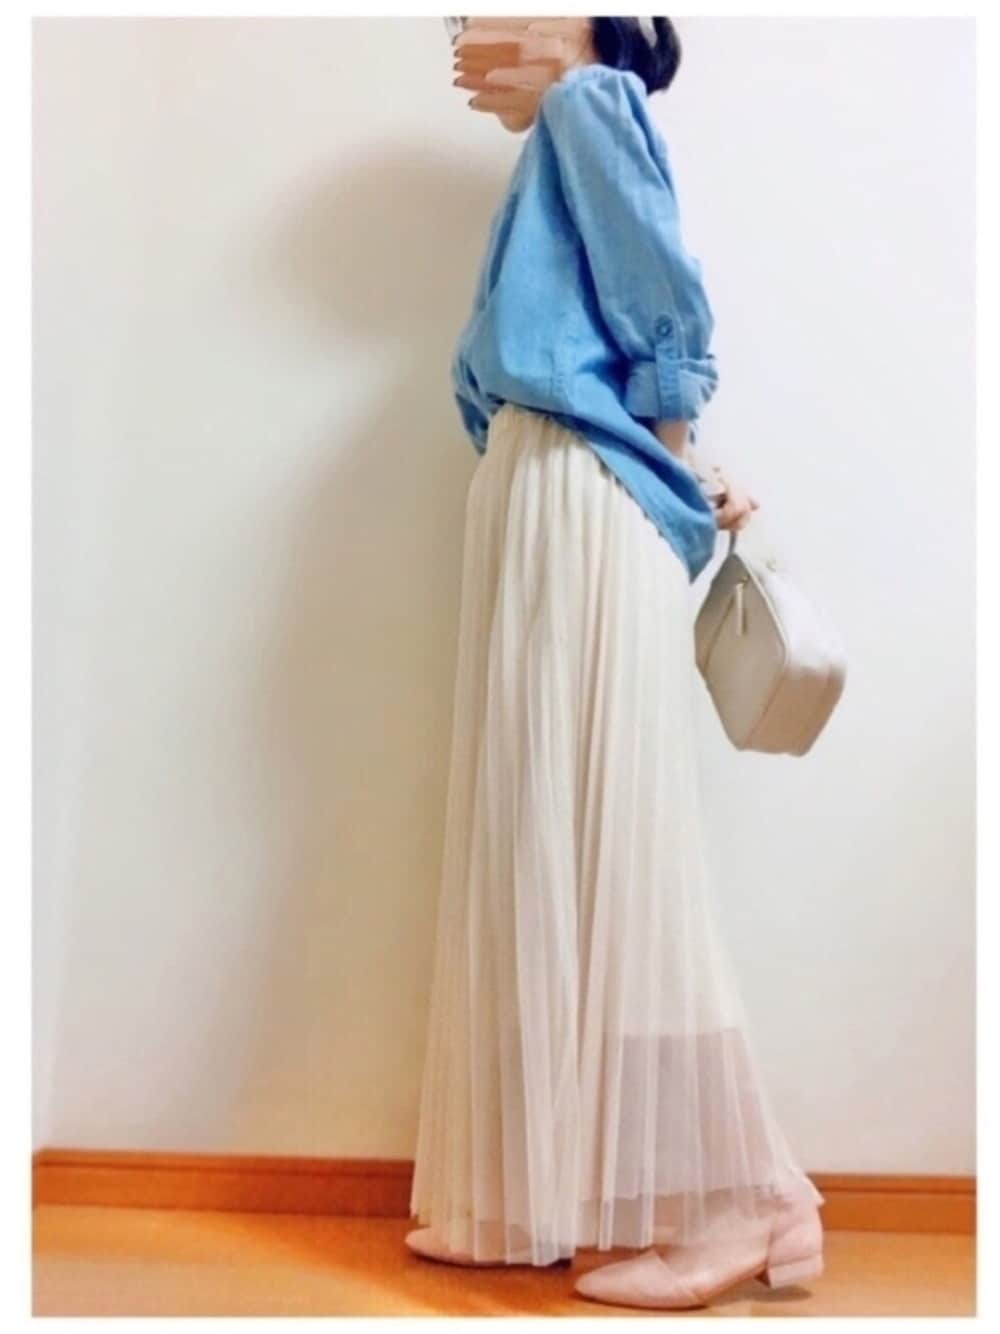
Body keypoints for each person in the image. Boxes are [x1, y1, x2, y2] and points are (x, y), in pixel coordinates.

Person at [406, 17, 825, 1310]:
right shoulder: (568, 134)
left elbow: (662, 305)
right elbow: (618, 328)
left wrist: (677, 461)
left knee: (615, 849)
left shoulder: (592, 105)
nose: (465, 32)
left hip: (578, 495)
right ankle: (533, 1193)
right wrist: (680, 465)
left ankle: (752, 1196)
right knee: (563, 839)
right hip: (552, 490)